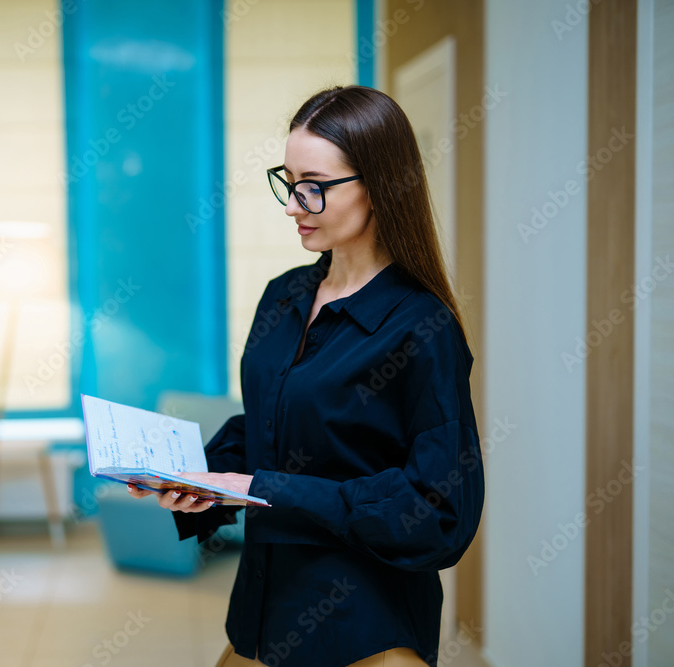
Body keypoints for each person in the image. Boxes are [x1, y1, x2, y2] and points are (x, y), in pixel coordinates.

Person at [127, 85, 484, 667]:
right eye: (289, 182)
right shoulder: (283, 296)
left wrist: (264, 490)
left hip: (362, 627)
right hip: (261, 612)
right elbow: (269, 424)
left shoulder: (423, 327)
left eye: (314, 186)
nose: (294, 204)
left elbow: (439, 509)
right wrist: (200, 480)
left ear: (379, 185)